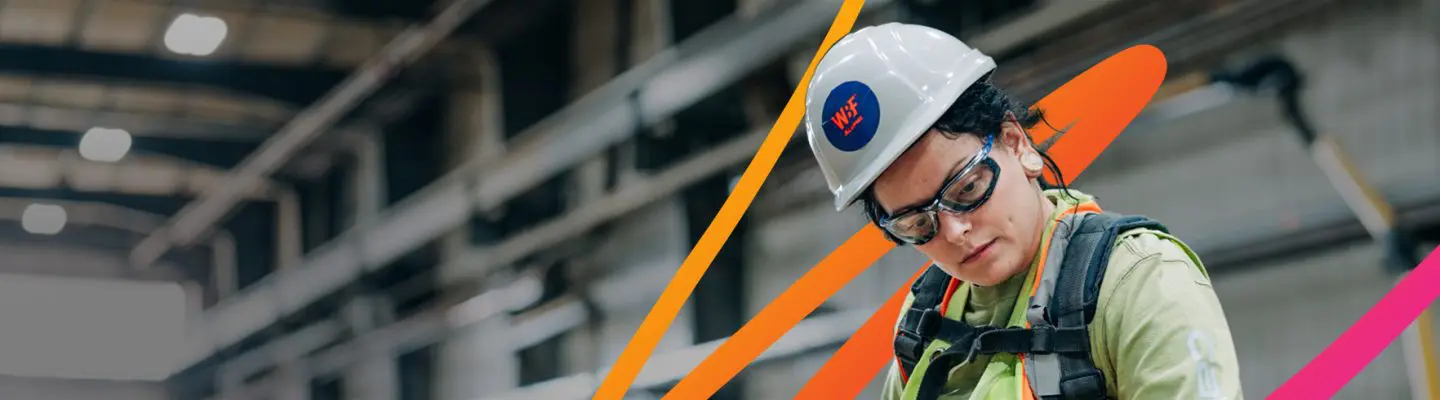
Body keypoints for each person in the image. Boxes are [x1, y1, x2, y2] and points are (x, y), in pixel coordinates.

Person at [801, 22, 1245, 400]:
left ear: (1017, 144)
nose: (954, 230)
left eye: (968, 187)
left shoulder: (1140, 281)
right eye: (918, 222)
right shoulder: (924, 321)